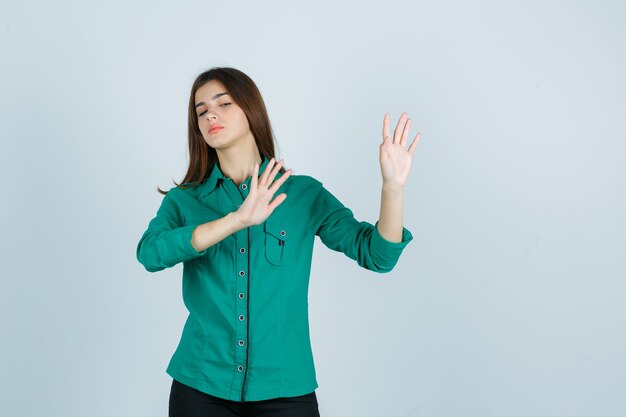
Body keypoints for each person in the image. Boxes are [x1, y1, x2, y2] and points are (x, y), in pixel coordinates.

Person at [136, 67, 419, 417]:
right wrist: (235, 220)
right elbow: (149, 253)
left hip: (285, 390)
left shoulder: (303, 195)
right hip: (200, 385)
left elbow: (378, 255)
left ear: (251, 110)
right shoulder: (184, 200)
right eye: (201, 109)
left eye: (223, 103)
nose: (210, 114)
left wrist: (392, 188)